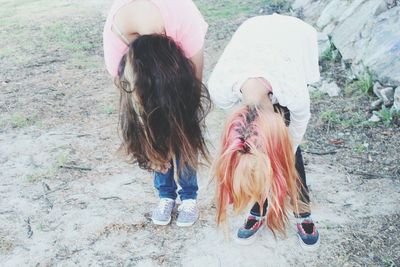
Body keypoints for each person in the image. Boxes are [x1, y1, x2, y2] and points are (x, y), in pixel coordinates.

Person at [208, 14, 320, 249]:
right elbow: (244, 135)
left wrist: (284, 150)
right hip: (253, 34)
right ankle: (259, 208)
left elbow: (294, 137)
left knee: (288, 153)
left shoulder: (294, 93)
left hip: (293, 38)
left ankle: (302, 211)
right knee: (252, 156)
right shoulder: (220, 88)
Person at [103, 0, 210, 227]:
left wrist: (181, 126)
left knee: (183, 130)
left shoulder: (184, 22)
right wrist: (150, 148)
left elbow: (194, 91)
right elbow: (136, 111)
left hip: (178, 59)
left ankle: (189, 196)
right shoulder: (115, 46)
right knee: (153, 134)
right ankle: (166, 195)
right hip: (147, 65)